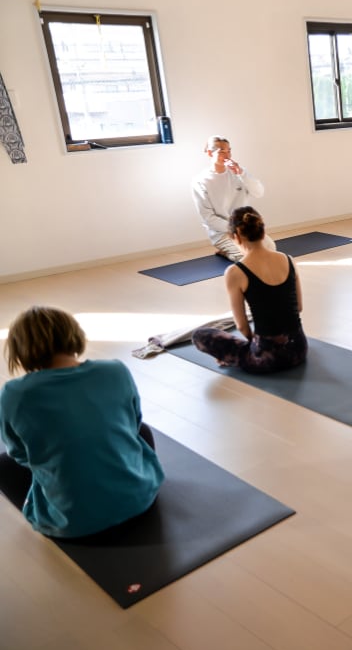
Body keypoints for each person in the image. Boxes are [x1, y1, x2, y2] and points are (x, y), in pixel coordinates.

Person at [0, 307, 164, 538]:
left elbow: (19, 454)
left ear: (20, 350)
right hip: (141, 501)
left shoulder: (14, 393)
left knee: (5, 466)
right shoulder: (115, 370)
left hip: (73, 526)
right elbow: (133, 422)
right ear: (73, 334)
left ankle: (53, 515)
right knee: (143, 432)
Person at [192, 206, 307, 372]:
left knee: (200, 335)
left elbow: (242, 326)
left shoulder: (235, 272)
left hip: (266, 359)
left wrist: (257, 344)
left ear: (236, 236)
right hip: (299, 350)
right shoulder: (288, 259)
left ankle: (237, 358)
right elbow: (299, 307)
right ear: (262, 231)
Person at [192, 135, 275, 261]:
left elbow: (259, 192)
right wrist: (235, 229)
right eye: (222, 152)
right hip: (222, 232)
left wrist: (241, 173)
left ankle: (228, 250)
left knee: (270, 249)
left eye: (229, 151)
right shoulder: (201, 181)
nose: (227, 155)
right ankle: (226, 251)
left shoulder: (238, 173)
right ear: (210, 153)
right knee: (246, 258)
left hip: (246, 228)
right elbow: (208, 218)